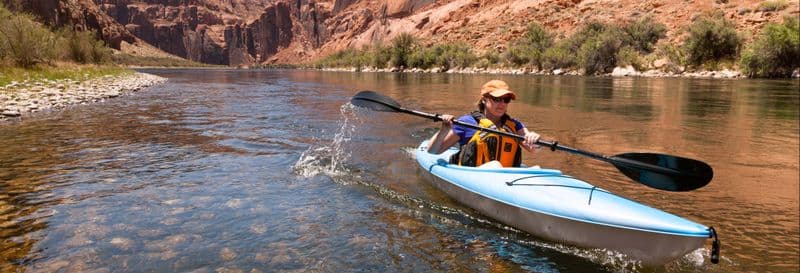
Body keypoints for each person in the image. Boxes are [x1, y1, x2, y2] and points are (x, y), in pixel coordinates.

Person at [427, 79, 541, 167]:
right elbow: (433, 151)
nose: (502, 103)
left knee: (536, 168)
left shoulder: (515, 125)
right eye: (497, 99)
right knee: (495, 165)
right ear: (484, 99)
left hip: (506, 178)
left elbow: (534, 149)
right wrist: (444, 130)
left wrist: (534, 139)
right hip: (476, 176)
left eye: (506, 100)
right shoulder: (467, 122)